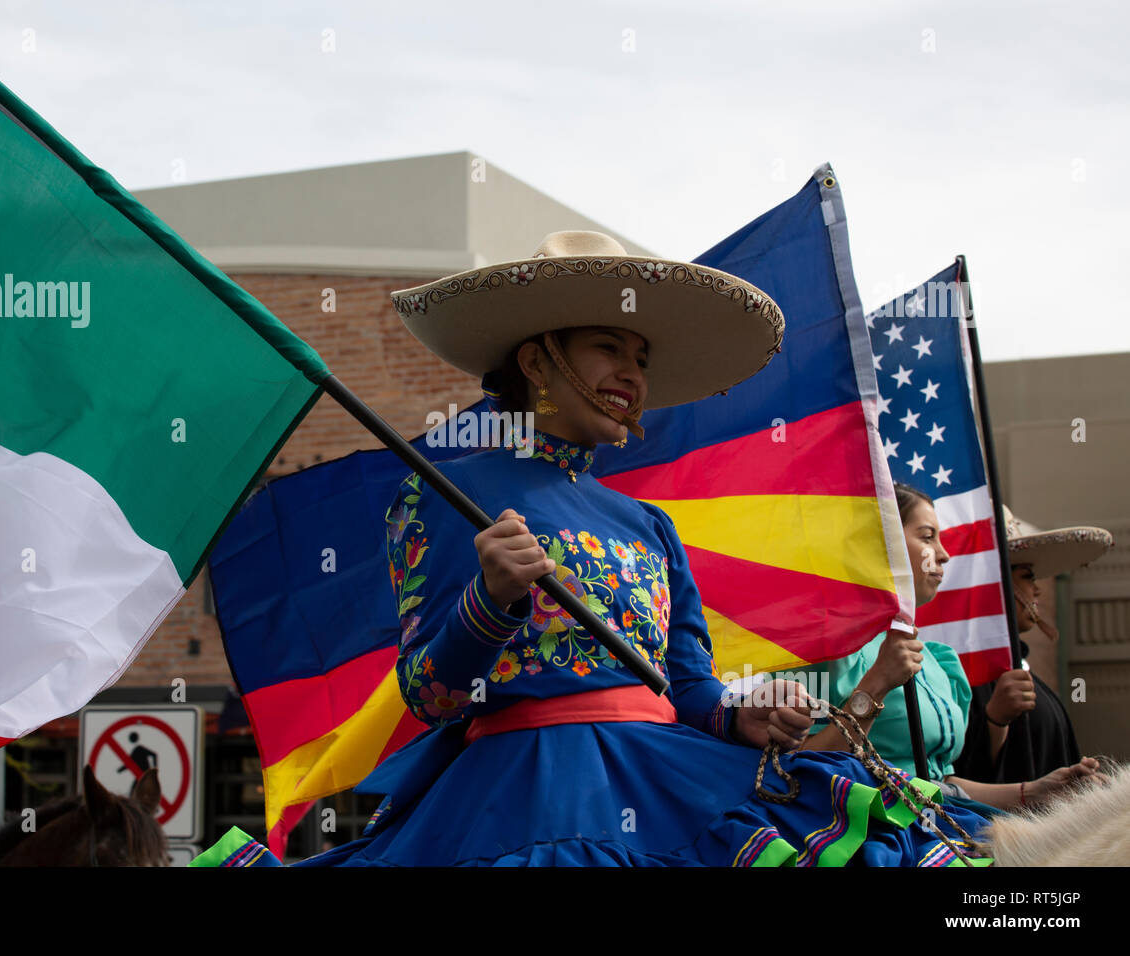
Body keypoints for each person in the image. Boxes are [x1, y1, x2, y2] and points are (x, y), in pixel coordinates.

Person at [294, 231, 989, 867]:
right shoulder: (449, 493)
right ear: (537, 359)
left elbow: (684, 685)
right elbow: (430, 693)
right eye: (609, 348)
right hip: (527, 792)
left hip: (665, 774)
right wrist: (490, 601)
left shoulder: (648, 523)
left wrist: (738, 713)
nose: (632, 374)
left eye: (642, 358)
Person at [795, 484, 1101, 812]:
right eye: (927, 537)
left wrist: (1036, 792)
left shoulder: (938, 662)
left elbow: (940, 785)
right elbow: (799, 769)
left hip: (943, 827)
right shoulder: (820, 649)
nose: (943, 554)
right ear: (882, 544)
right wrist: (876, 685)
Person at [954, 508, 1114, 784]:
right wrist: (995, 720)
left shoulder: (1022, 671)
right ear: (996, 582)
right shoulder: (963, 672)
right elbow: (954, 781)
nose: (1037, 589)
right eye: (1027, 576)